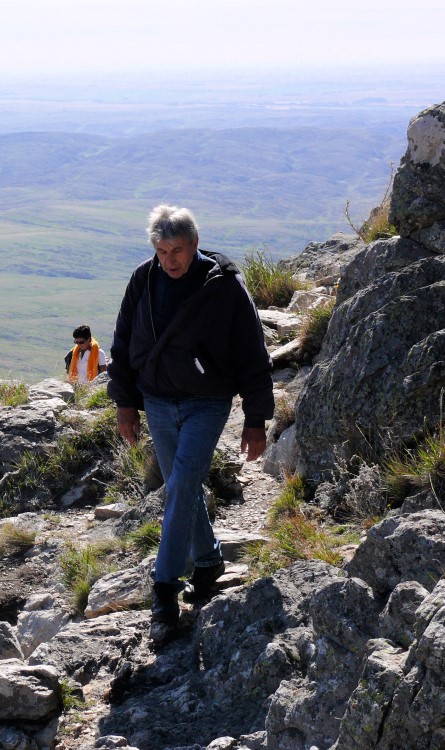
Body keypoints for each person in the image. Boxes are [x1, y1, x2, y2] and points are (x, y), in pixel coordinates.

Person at [107, 204, 273, 631]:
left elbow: (254, 352)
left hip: (207, 401)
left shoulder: (225, 286)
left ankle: (164, 587)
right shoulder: (144, 279)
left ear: (195, 244)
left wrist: (257, 418)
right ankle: (208, 559)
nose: (170, 260)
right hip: (157, 401)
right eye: (162, 251)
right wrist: (125, 403)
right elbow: (123, 343)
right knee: (182, 486)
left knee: (180, 485)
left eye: (177, 250)